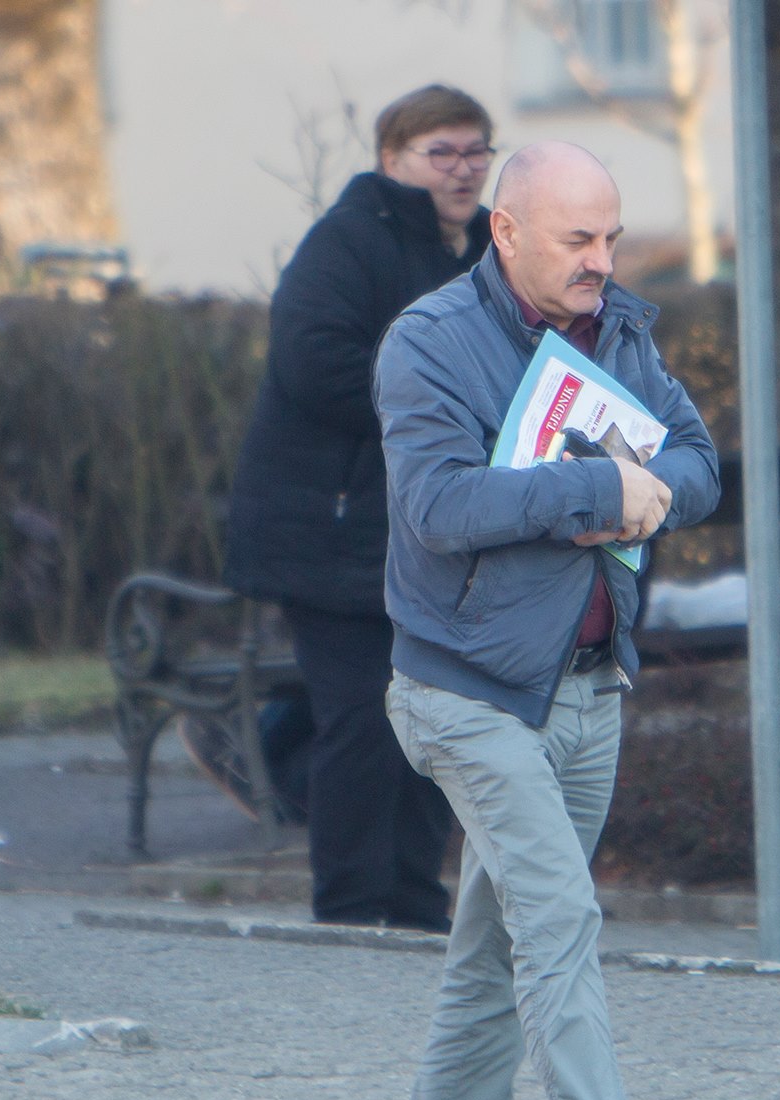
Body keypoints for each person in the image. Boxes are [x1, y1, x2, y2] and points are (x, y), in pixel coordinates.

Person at [375, 141, 720, 1100]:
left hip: (587, 689)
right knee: (560, 912)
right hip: (464, 692)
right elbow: (437, 507)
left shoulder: (618, 330)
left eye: (610, 237)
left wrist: (647, 493)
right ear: (506, 231)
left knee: (495, 946)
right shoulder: (429, 340)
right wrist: (593, 487)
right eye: (577, 239)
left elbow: (698, 459)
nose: (601, 261)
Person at [211, 85, 500, 933]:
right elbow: (314, 363)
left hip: (437, 534)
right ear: (392, 159)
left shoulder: (493, 248)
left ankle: (412, 903)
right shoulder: (346, 242)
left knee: (434, 718)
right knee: (363, 717)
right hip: (332, 531)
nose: (463, 169)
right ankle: (348, 908)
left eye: (476, 151)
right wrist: (448, 405)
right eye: (441, 153)